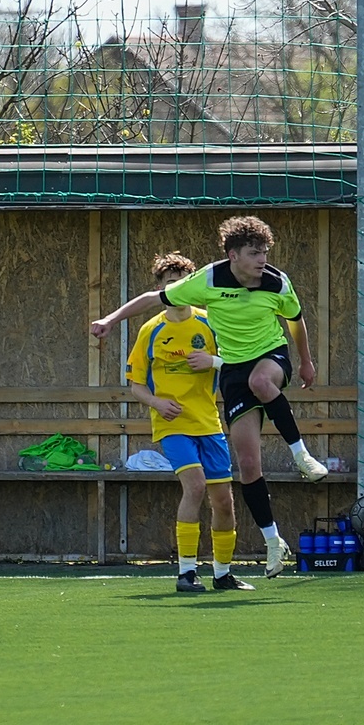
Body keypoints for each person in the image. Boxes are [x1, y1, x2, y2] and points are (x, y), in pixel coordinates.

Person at [92, 215, 325, 579]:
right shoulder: (204, 285)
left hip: (266, 358)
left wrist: (306, 361)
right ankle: (269, 543)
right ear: (233, 255)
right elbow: (151, 302)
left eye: (264, 252)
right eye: (254, 253)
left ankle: (302, 457)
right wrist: (109, 320)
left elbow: (295, 319)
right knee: (247, 466)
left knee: (262, 383)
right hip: (218, 386)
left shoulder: (275, 284)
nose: (262, 259)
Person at [127, 253, 251, 592]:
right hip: (173, 424)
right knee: (195, 486)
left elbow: (240, 362)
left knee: (223, 500)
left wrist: (213, 361)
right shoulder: (151, 330)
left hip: (209, 423)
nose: (177, 288)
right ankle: (186, 573)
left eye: (183, 282)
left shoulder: (210, 323)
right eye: (171, 283)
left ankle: (223, 575)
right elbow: (136, 385)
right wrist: (157, 403)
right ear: (160, 288)